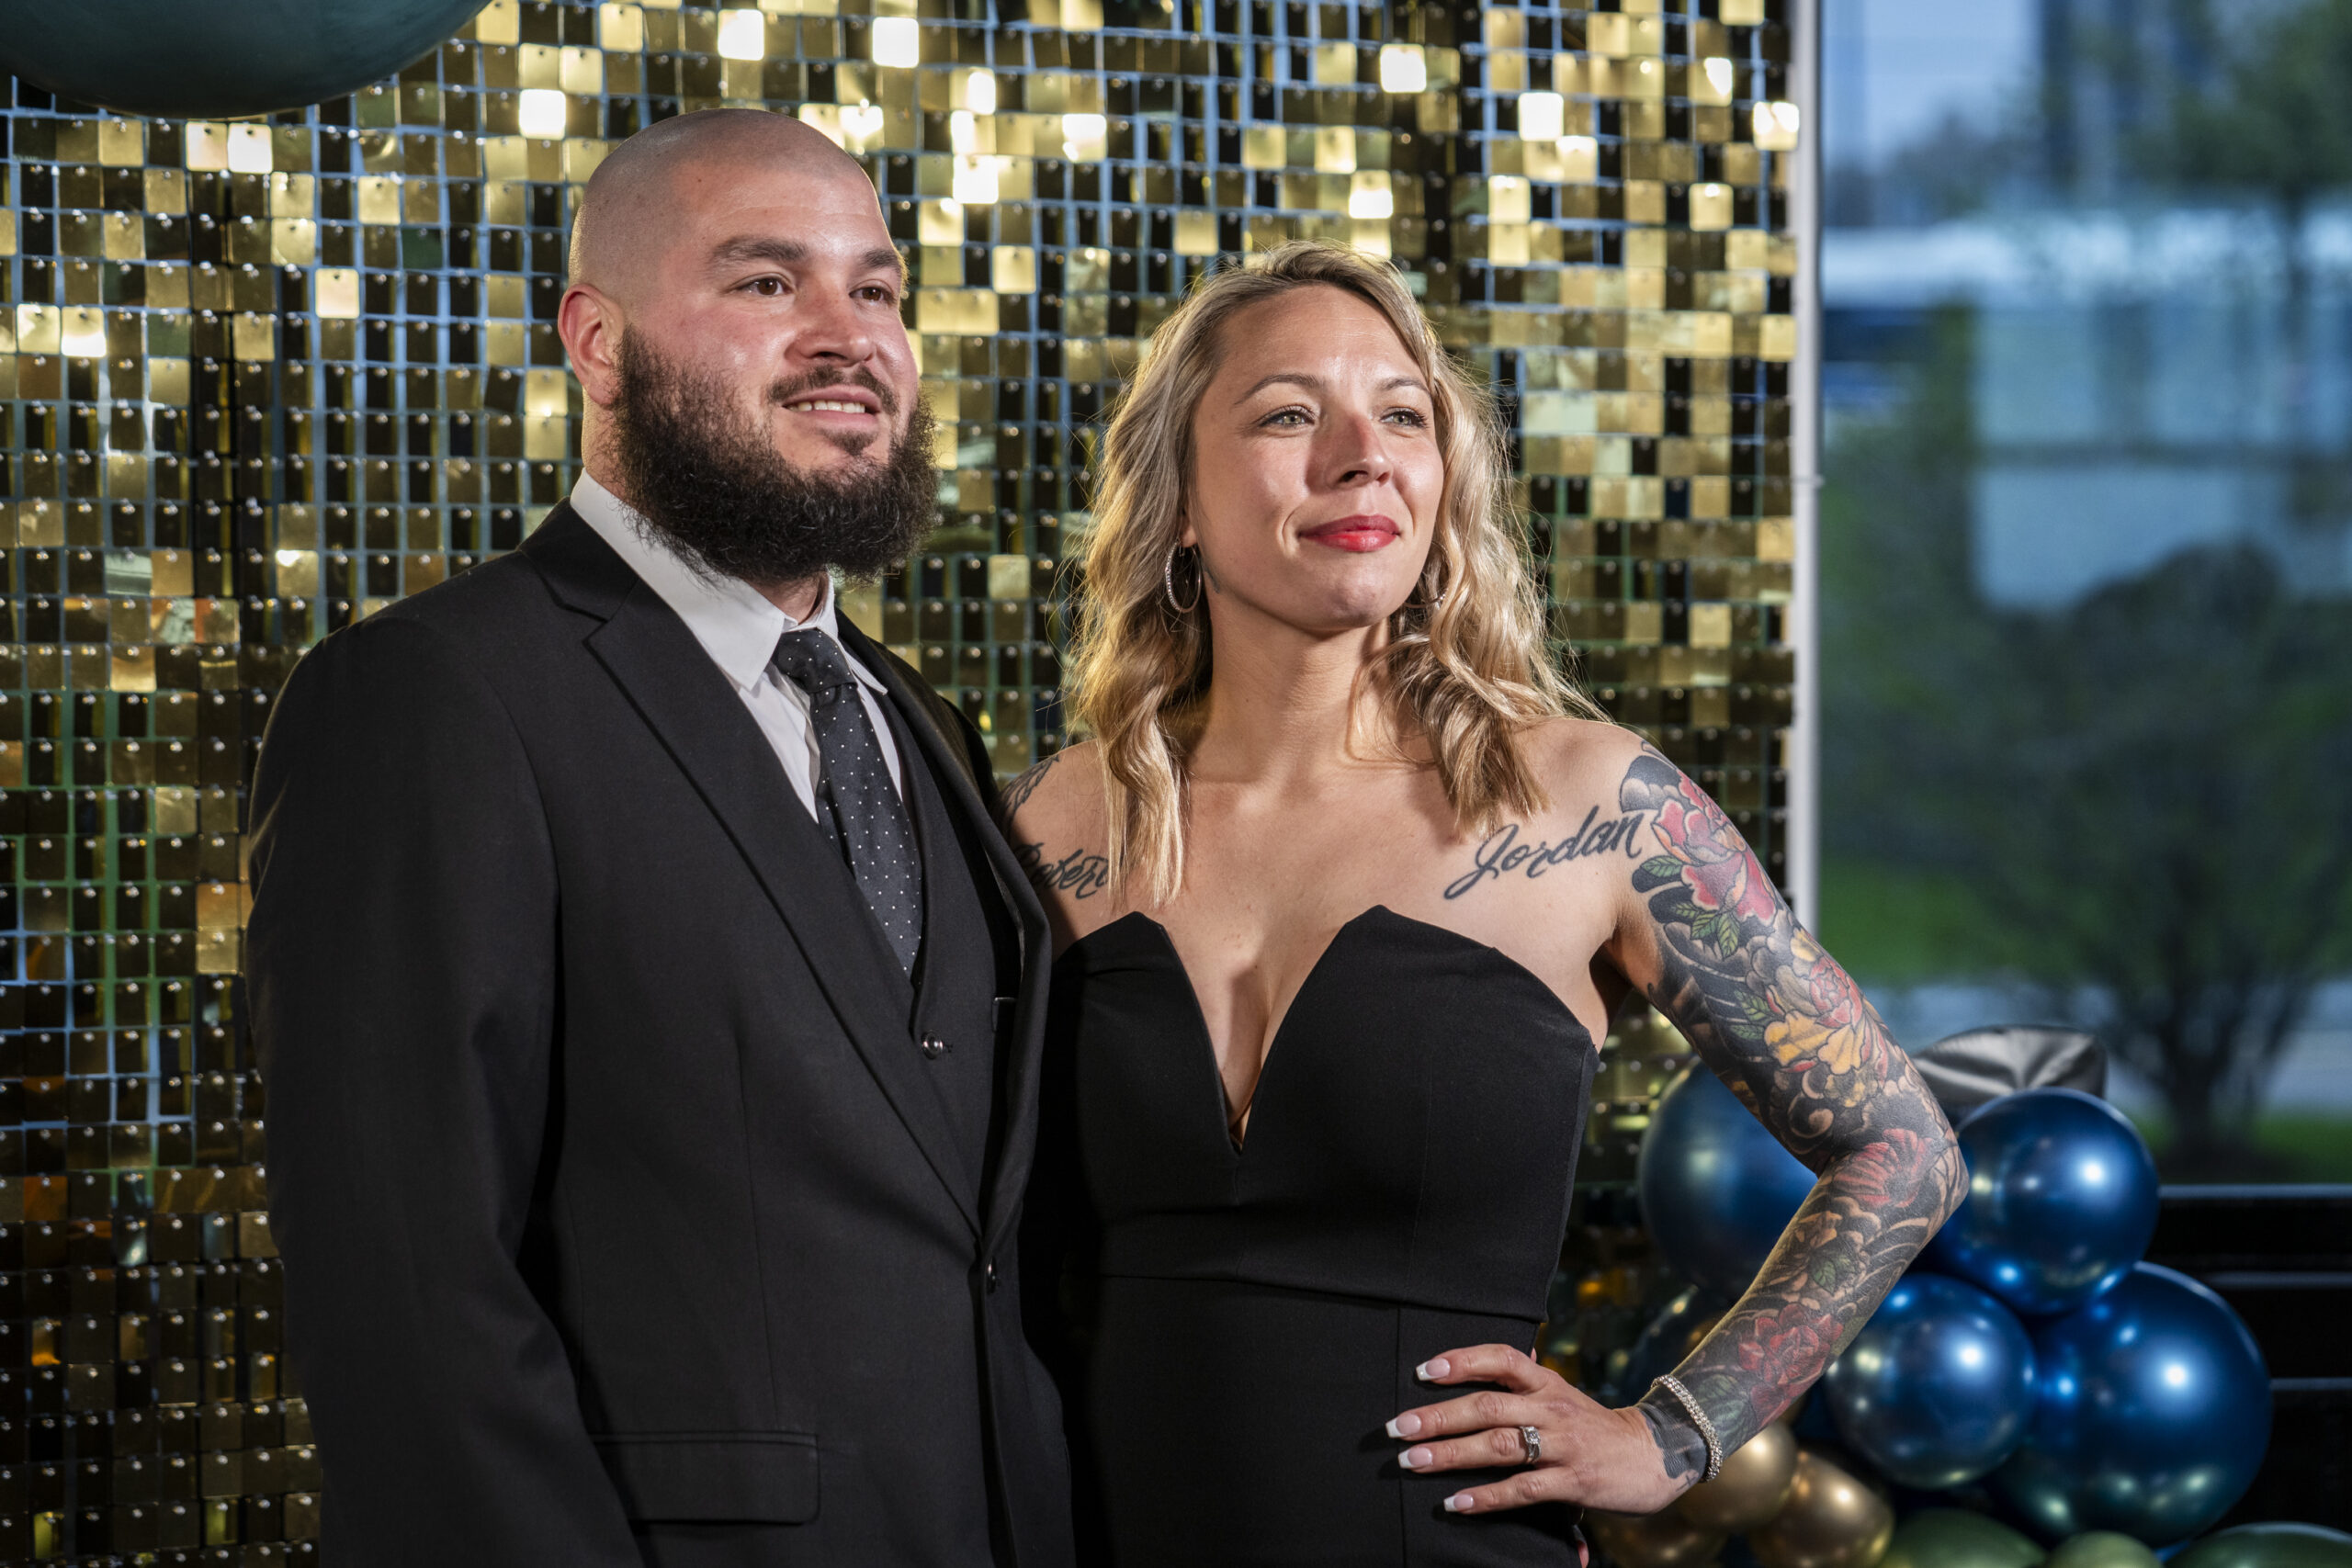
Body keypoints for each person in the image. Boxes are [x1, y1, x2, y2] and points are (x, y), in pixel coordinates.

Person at [1006, 241, 1967, 1564]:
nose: (1364, 458)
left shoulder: (1589, 805)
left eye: (1404, 415)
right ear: (1174, 497)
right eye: (1288, 415)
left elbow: (1905, 1148)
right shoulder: (1050, 822)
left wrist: (1676, 1434)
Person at [247, 110, 1073, 1567]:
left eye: (877, 289)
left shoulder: (920, 723)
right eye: (767, 282)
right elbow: (409, 1293)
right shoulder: (434, 696)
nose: (849, 337)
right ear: (596, 339)